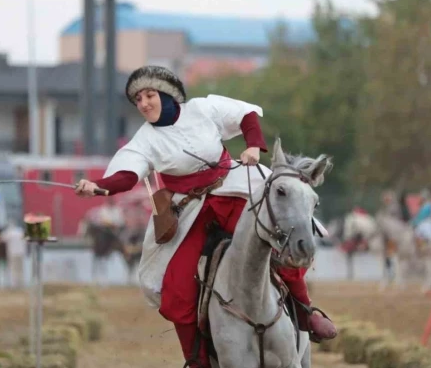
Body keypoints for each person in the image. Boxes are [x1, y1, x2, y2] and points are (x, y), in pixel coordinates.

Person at [74, 65, 336, 367]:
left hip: (236, 187)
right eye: (137, 100)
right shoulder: (144, 139)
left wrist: (252, 145)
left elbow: (246, 116)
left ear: (166, 94)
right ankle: (197, 359)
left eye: (149, 95)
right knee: (176, 286)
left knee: (278, 242)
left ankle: (306, 314)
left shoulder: (202, 109)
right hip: (190, 210)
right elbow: (125, 174)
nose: (144, 104)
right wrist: (99, 187)